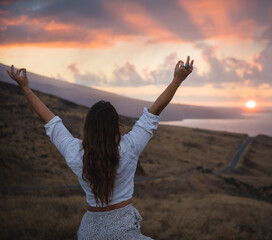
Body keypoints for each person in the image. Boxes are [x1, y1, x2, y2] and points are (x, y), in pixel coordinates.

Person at [6, 56, 194, 239]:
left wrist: (25, 88)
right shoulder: (129, 147)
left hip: (88, 232)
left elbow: (50, 121)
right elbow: (154, 112)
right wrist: (178, 80)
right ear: (116, 125)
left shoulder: (75, 151)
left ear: (88, 127)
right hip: (123, 231)